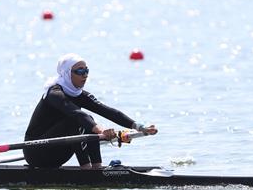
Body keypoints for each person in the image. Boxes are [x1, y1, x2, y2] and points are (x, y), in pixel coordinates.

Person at [23, 53, 158, 169]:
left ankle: (96, 168)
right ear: (66, 73)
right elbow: (77, 114)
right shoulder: (54, 93)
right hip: (36, 152)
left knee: (88, 122)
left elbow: (108, 111)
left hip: (59, 153)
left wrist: (140, 127)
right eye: (79, 71)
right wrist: (101, 131)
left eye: (86, 70)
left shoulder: (79, 94)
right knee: (78, 121)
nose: (85, 75)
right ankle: (87, 170)